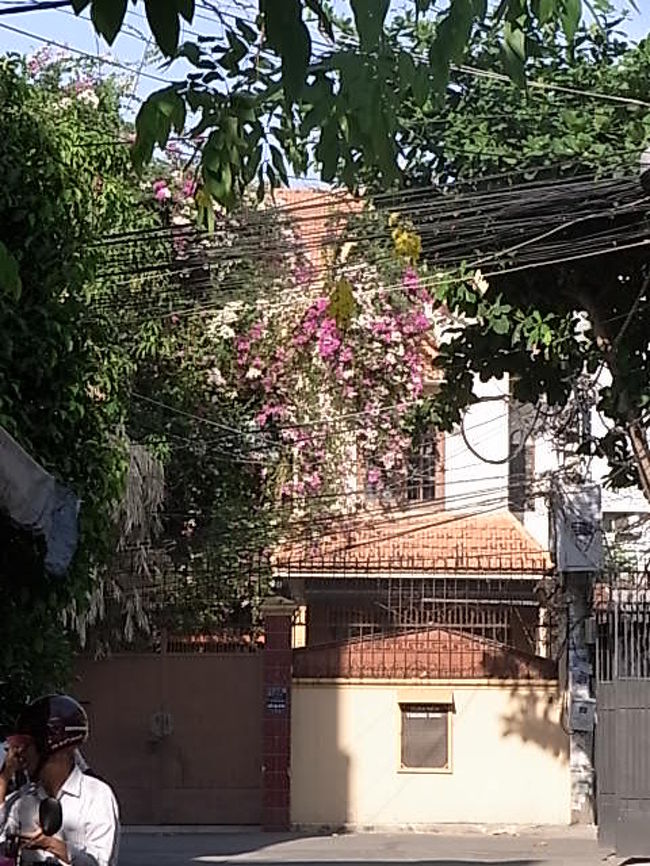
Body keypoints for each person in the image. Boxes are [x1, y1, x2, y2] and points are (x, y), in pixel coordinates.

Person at [0, 695, 119, 866]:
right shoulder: (24, 799)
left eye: (26, 745)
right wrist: (4, 778)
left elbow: (100, 862)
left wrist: (50, 845)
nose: (19, 754)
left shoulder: (96, 796)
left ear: (50, 747)